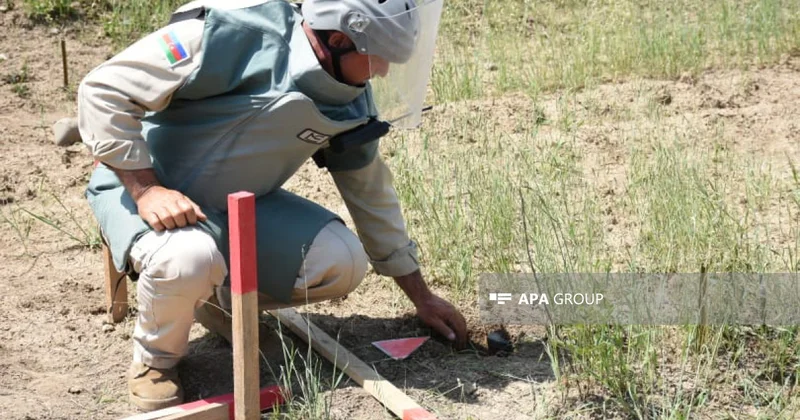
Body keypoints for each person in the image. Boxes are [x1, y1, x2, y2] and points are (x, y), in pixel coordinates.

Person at [77, 0, 467, 412]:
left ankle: (211, 299)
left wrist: (421, 296)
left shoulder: (351, 104)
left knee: (342, 261)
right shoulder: (228, 35)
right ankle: (156, 362)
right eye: (381, 58)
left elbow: (371, 195)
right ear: (337, 39)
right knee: (186, 259)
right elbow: (102, 89)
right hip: (142, 193)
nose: (385, 71)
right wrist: (146, 190)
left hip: (236, 210)